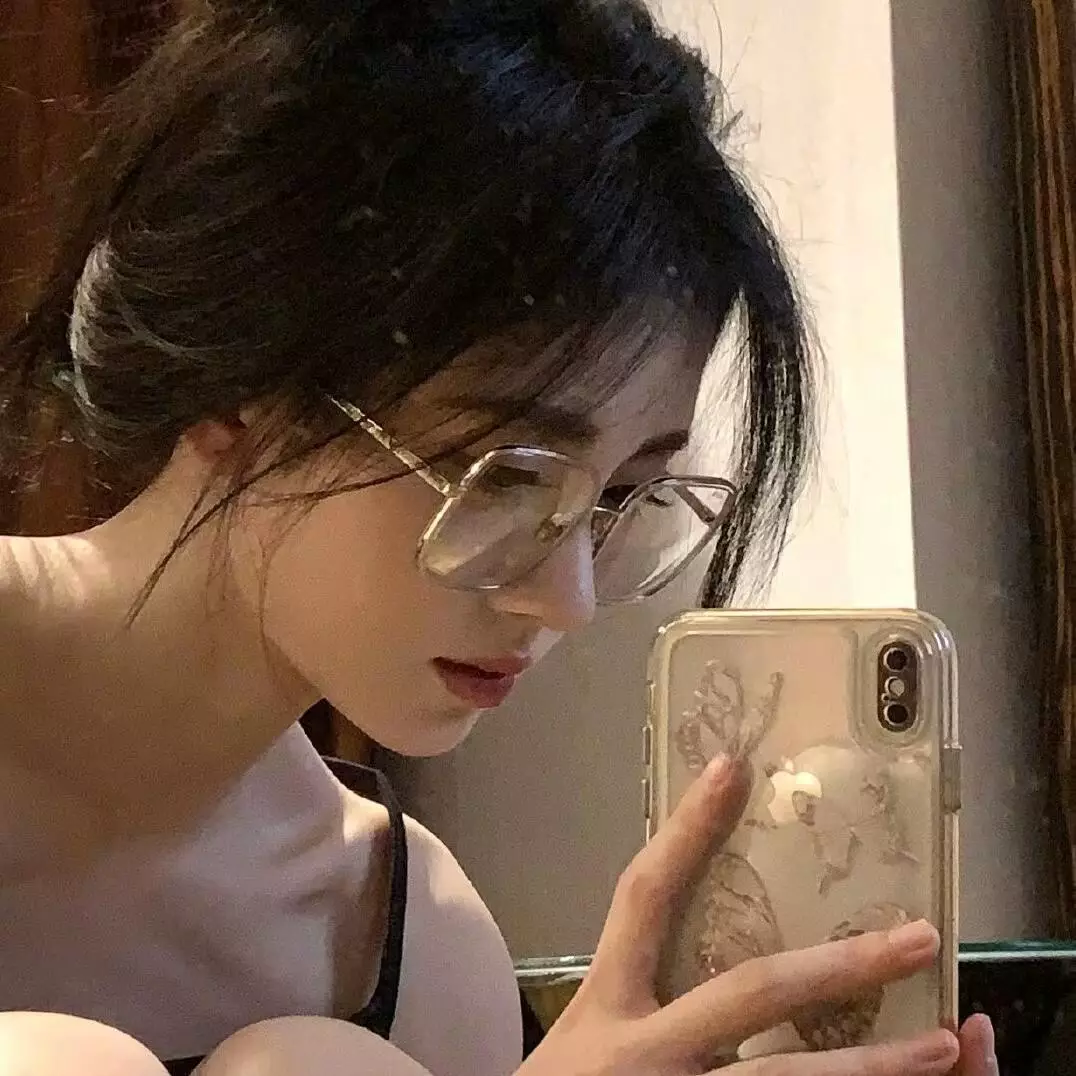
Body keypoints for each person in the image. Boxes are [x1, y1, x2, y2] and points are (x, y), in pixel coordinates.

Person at [0, 0, 996, 1073]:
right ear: (236, 387)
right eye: (509, 477)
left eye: (622, 496)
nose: (568, 599)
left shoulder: (411, 948)